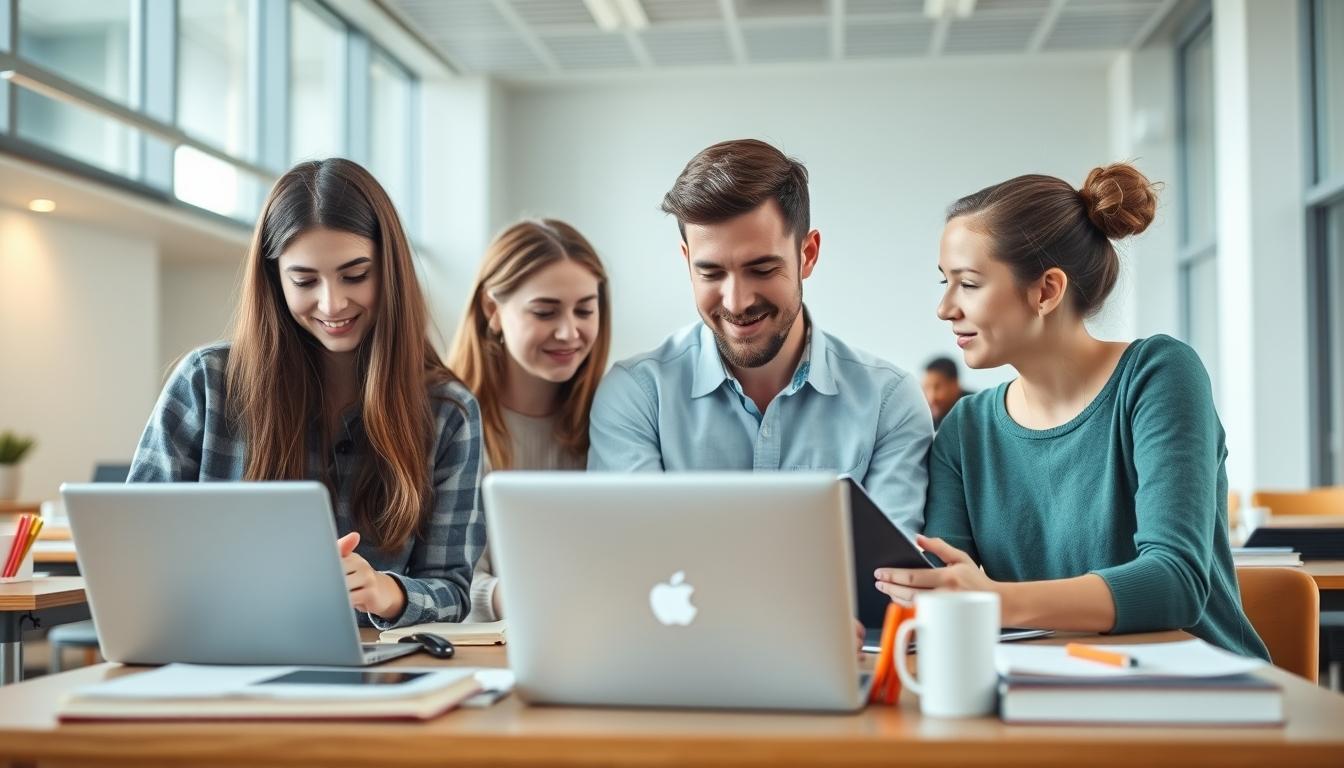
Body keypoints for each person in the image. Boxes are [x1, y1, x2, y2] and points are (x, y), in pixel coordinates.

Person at [875, 163, 1268, 659]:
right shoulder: (964, 430)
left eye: (969, 284)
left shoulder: (1158, 375)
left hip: (1197, 693)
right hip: (1035, 696)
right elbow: (950, 592)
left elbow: (1175, 583)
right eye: (944, 283)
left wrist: (990, 599)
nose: (946, 308)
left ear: (1047, 290)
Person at [128, 158, 485, 630]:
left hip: (370, 669)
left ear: (391, 272)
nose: (332, 303)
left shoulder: (447, 413)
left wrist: (385, 591)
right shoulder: (206, 383)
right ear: (275, 281)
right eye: (304, 281)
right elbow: (132, 549)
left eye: (355, 275)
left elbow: (454, 590)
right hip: (216, 654)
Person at [587, 139, 932, 534]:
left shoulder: (888, 401)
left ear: (808, 254)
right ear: (686, 261)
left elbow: (890, 579)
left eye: (762, 269)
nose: (737, 302)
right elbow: (633, 559)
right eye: (711, 273)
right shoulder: (637, 394)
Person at [448, 219, 611, 622]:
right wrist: (536, 597)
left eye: (585, 310)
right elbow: (438, 577)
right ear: (493, 311)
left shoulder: (614, 418)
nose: (569, 332)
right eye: (544, 311)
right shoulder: (446, 422)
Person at [922, 356, 972, 429]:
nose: (932, 397)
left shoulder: (976, 409)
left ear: (955, 384)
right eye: (926, 387)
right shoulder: (928, 417)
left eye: (937, 387)